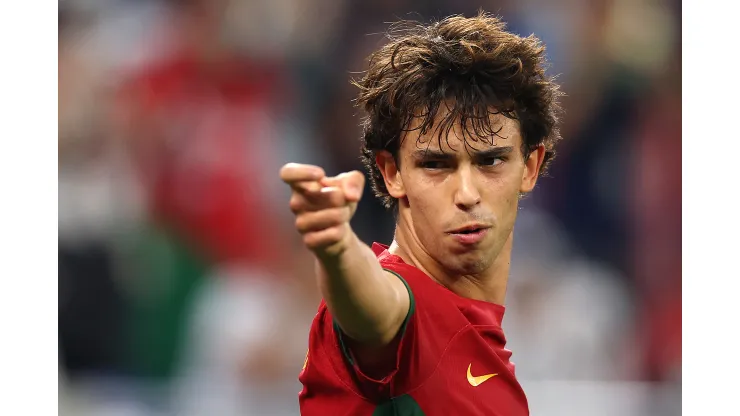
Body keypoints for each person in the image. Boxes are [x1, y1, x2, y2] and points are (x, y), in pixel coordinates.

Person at [281, 12, 563, 416]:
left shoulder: (483, 350)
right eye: (436, 165)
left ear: (530, 166)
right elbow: (373, 310)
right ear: (392, 173)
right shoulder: (403, 311)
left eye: (490, 161)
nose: (467, 194)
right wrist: (337, 247)